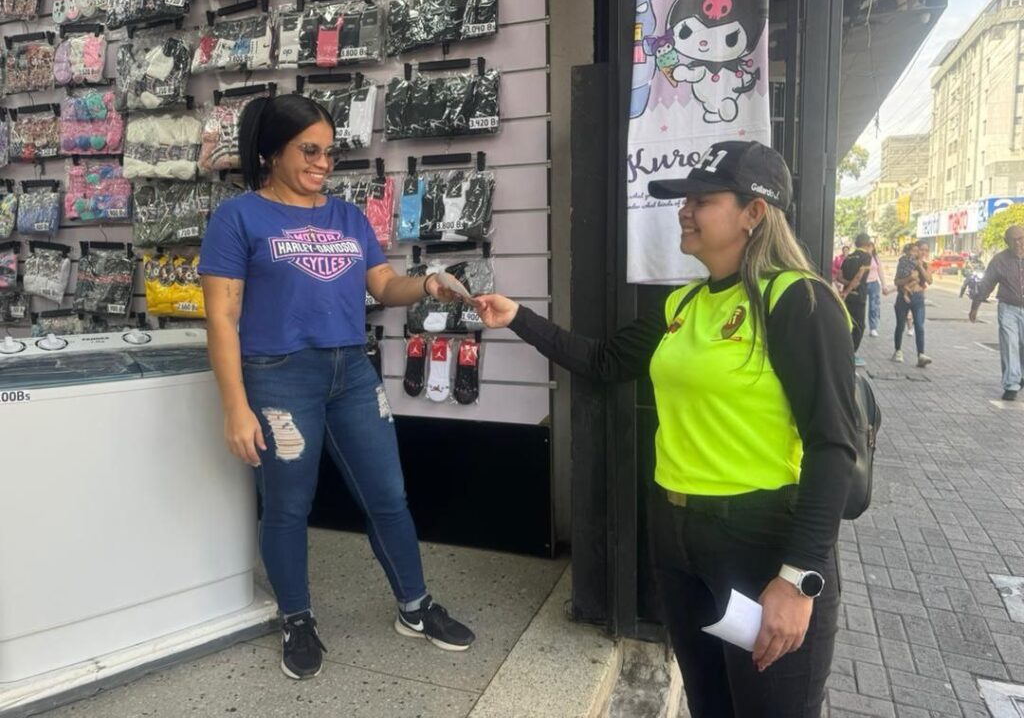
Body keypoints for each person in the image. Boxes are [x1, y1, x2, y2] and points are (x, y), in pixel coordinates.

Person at [476, 141, 858, 718]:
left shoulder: (798, 300)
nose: (685, 210)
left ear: (754, 212)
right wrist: (518, 318)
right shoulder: (681, 303)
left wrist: (798, 577)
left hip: (763, 542)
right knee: (709, 704)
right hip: (678, 539)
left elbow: (833, 446)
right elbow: (605, 361)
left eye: (702, 200)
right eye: (684, 200)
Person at [198, 94, 475, 681]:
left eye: (329, 152)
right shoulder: (237, 218)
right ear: (273, 152)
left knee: (388, 495)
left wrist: (428, 283)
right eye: (309, 150)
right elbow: (221, 318)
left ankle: (415, 605)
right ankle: (297, 618)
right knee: (287, 507)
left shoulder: (347, 217)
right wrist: (234, 407)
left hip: (351, 371)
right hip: (278, 377)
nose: (323, 163)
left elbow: (383, 285)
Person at [969, 225, 1024, 401]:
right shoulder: (999, 260)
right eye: (1014, 240)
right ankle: (1011, 384)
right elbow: (987, 284)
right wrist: (975, 307)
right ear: (1006, 242)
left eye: (1021, 238)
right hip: (1008, 308)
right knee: (1009, 344)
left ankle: (1020, 375)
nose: (1018, 243)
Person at [891, 242, 933, 367]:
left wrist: (920, 267)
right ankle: (898, 350)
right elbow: (897, 281)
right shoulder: (904, 263)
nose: (923, 253)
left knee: (919, 326)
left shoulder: (926, 265)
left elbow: (929, 280)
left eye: (926, 250)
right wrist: (909, 278)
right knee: (900, 325)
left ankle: (921, 354)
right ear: (914, 250)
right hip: (903, 298)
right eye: (921, 249)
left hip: (918, 298)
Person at [840, 233, 874, 366]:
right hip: (858, 296)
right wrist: (849, 290)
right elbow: (859, 277)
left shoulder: (848, 257)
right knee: (859, 326)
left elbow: (839, 277)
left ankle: (844, 352)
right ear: (867, 244)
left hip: (847, 297)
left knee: (848, 324)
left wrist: (847, 287)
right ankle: (851, 355)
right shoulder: (866, 257)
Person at [866, 245, 892, 337]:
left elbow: (880, 271)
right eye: (867, 246)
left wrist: (884, 285)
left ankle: (873, 328)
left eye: (870, 247)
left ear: (873, 248)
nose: (869, 248)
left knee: (874, 306)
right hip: (863, 284)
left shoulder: (875, 258)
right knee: (860, 306)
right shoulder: (862, 257)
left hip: (874, 283)